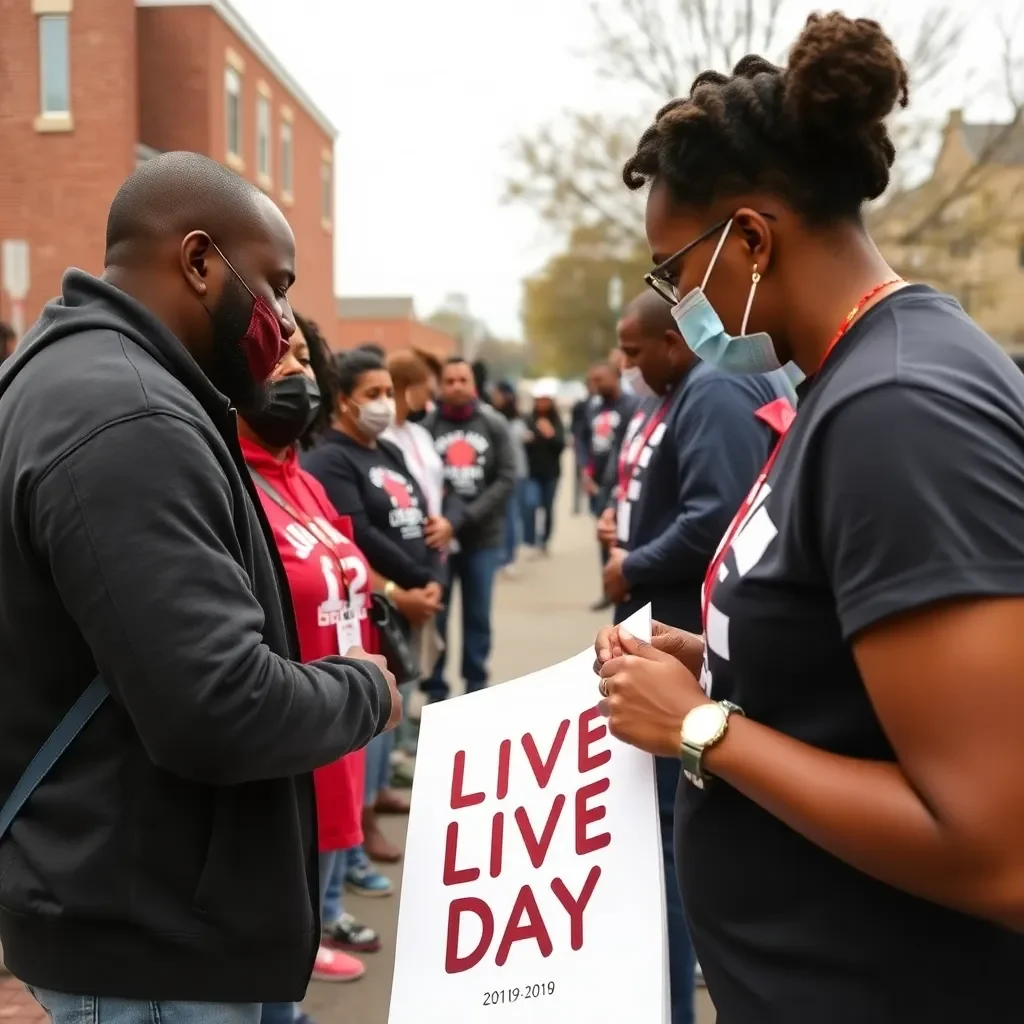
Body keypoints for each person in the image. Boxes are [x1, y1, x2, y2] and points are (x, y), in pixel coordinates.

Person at [594, 13, 1024, 1023]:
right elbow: (862, 667)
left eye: (674, 269)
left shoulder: (898, 408)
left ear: (748, 236)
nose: (676, 302)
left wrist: (701, 726)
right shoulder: (847, 378)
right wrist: (721, 658)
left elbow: (995, 844)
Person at [0, 152, 398, 1023]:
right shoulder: (128, 415)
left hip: (150, 914)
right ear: (198, 261)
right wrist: (363, 687)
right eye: (276, 285)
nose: (286, 323)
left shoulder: (94, 380)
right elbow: (217, 708)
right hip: (148, 944)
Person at [602, 291, 790, 1024]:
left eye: (635, 351)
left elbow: (716, 514)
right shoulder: (705, 384)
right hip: (690, 635)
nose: (628, 366)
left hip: (687, 634)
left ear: (675, 344)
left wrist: (635, 563)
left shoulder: (713, 387)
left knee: (675, 847)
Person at [239, 321, 382, 1021]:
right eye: (281, 354)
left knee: (290, 962)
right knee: (269, 956)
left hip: (339, 731)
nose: (298, 370)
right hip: (282, 749)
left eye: (305, 358)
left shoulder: (302, 477)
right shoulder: (229, 482)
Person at [303, 349, 445, 881]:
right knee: (366, 729)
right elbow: (359, 534)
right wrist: (408, 582)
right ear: (343, 402)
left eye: (390, 391)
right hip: (377, 607)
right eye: (373, 394)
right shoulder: (331, 460)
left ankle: (364, 829)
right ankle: (353, 849)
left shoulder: (385, 449)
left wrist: (433, 570)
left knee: (388, 722)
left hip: (409, 599)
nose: (386, 403)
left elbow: (417, 512)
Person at [423, 357, 515, 700]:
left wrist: (465, 518)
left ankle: (476, 688)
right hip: (439, 543)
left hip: (482, 539)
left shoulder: (493, 424)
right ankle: (435, 690)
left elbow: (507, 478)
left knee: (477, 616)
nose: (457, 386)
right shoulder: (427, 427)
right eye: (450, 380)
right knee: (439, 616)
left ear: (472, 384)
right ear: (441, 386)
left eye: (463, 379)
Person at [581, 360, 638, 610]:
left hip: (619, 483)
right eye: (593, 379)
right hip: (597, 483)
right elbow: (583, 439)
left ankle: (624, 581)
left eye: (600, 378)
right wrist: (585, 471)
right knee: (603, 535)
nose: (596, 384)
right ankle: (608, 587)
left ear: (616, 377)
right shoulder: (593, 408)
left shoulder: (631, 407)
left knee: (620, 535)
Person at [491, 380, 531, 575]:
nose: (494, 397)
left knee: (511, 516)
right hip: (502, 473)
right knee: (504, 516)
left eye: (497, 394)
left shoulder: (514, 421)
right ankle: (503, 556)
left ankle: (508, 557)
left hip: (514, 474)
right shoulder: (495, 417)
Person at [522, 378, 565, 554]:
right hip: (531, 472)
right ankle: (530, 540)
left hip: (551, 472)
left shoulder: (555, 421)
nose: (541, 404)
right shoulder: (528, 419)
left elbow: (561, 445)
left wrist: (550, 434)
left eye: (545, 400)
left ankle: (544, 541)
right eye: (539, 400)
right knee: (530, 505)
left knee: (547, 507)